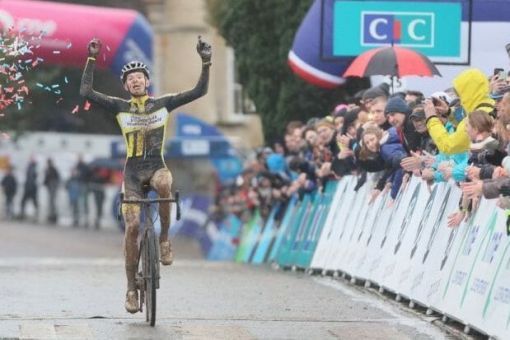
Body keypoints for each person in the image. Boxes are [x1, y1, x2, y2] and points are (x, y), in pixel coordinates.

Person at [80, 36, 211, 313]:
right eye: (131, 79)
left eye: (140, 77)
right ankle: (130, 289)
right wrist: (91, 59)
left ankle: (164, 239)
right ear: (126, 86)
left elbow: (198, 91)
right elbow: (87, 92)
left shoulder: (163, 103)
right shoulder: (119, 106)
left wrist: (206, 61)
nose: (136, 81)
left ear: (146, 82)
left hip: (156, 166)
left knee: (165, 182)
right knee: (133, 228)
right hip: (132, 174)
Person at [43, 158, 60, 224]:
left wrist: (46, 183)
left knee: (52, 202)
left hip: (52, 187)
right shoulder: (51, 169)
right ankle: (52, 215)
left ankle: (53, 216)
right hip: (51, 187)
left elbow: (50, 178)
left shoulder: (51, 169)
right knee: (51, 202)